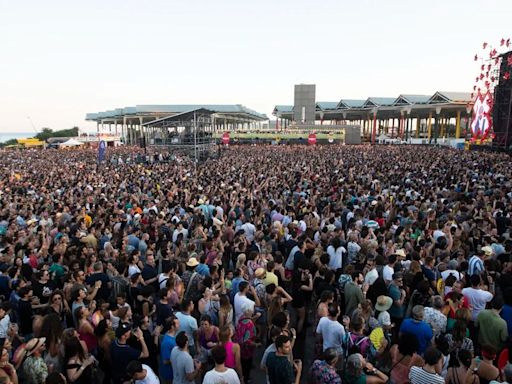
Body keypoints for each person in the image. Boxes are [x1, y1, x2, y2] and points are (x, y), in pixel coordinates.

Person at [160, 315, 179, 384]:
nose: (179, 325)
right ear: (172, 327)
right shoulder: (167, 342)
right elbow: (165, 361)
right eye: (177, 324)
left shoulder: (172, 336)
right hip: (169, 374)